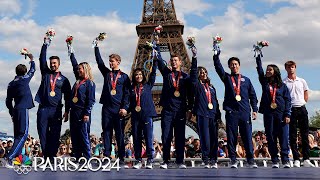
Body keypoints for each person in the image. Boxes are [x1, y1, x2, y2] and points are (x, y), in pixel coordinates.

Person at [213, 50, 258, 168]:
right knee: (231, 138)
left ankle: (250, 160)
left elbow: (253, 95)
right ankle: (233, 160)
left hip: (244, 112)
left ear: (239, 65)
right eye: (231, 64)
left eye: (236, 64)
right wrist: (216, 56)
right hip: (231, 112)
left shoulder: (246, 80)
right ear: (229, 66)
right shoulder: (227, 78)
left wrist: (255, 109)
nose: (234, 66)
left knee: (247, 137)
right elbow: (218, 69)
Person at [94, 40, 130, 167]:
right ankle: (107, 156)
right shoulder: (107, 74)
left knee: (120, 134)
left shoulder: (125, 77)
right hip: (107, 108)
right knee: (107, 132)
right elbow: (99, 63)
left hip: (119, 109)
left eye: (112, 61)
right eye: (109, 61)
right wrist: (96, 47)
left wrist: (125, 107)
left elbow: (127, 93)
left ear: (118, 62)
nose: (110, 63)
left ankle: (121, 157)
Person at [156, 44, 193, 169]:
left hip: (180, 110)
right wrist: (156, 46)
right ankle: (166, 160)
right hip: (167, 110)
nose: (173, 62)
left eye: (175, 60)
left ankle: (180, 161)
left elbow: (191, 91)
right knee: (166, 135)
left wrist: (189, 108)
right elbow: (159, 61)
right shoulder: (167, 73)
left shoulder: (186, 77)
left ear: (180, 62)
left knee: (180, 136)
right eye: (171, 60)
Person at [35, 35, 71, 162]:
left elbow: (68, 97)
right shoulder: (45, 73)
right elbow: (41, 58)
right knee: (42, 133)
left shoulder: (64, 80)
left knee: (55, 135)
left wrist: (67, 111)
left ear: (59, 64)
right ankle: (46, 156)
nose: (52, 65)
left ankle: (52, 156)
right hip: (43, 109)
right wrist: (45, 43)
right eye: (51, 63)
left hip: (56, 110)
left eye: (55, 63)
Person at [255, 54, 291, 168]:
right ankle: (275, 160)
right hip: (269, 114)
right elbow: (260, 71)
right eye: (267, 69)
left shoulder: (283, 86)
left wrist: (287, 114)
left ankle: (285, 160)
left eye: (270, 69)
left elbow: (288, 100)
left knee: (284, 137)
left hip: (281, 115)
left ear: (275, 71)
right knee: (271, 137)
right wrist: (258, 57)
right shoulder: (265, 83)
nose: (267, 71)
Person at [189, 46, 221, 168]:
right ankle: (206, 159)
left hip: (212, 115)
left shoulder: (212, 87)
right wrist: (194, 57)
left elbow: (216, 101)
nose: (203, 74)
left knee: (214, 138)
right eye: (200, 72)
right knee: (205, 138)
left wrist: (218, 115)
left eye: (204, 72)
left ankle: (214, 159)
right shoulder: (197, 85)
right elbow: (192, 75)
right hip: (202, 114)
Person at [5, 53, 35, 167]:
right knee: (23, 134)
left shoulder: (11, 84)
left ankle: (17, 160)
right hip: (23, 109)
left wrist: (11, 112)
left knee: (18, 135)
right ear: (24, 72)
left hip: (16, 109)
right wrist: (31, 59)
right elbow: (32, 71)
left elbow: (8, 101)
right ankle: (9, 158)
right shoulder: (24, 79)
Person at [283, 60, 315, 167]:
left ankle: (306, 158)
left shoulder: (302, 81)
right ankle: (296, 158)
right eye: (288, 67)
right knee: (292, 135)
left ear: (295, 68)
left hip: (301, 108)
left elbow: (306, 92)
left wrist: (303, 102)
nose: (290, 68)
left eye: (292, 67)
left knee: (304, 134)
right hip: (291, 109)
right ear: (286, 69)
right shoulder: (284, 82)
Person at [68, 45, 95, 160]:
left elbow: (91, 100)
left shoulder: (90, 83)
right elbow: (74, 65)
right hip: (73, 111)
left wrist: (86, 113)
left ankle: (87, 157)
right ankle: (78, 157)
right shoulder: (78, 81)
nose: (78, 70)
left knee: (84, 135)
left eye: (80, 69)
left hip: (82, 112)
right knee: (74, 135)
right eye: (78, 69)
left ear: (86, 69)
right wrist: (70, 49)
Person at [130, 59, 157, 169]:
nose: (138, 76)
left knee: (148, 137)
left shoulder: (148, 85)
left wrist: (155, 61)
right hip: (136, 115)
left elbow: (153, 74)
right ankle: (138, 159)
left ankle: (150, 159)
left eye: (140, 74)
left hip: (147, 114)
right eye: (136, 74)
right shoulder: (131, 88)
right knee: (136, 138)